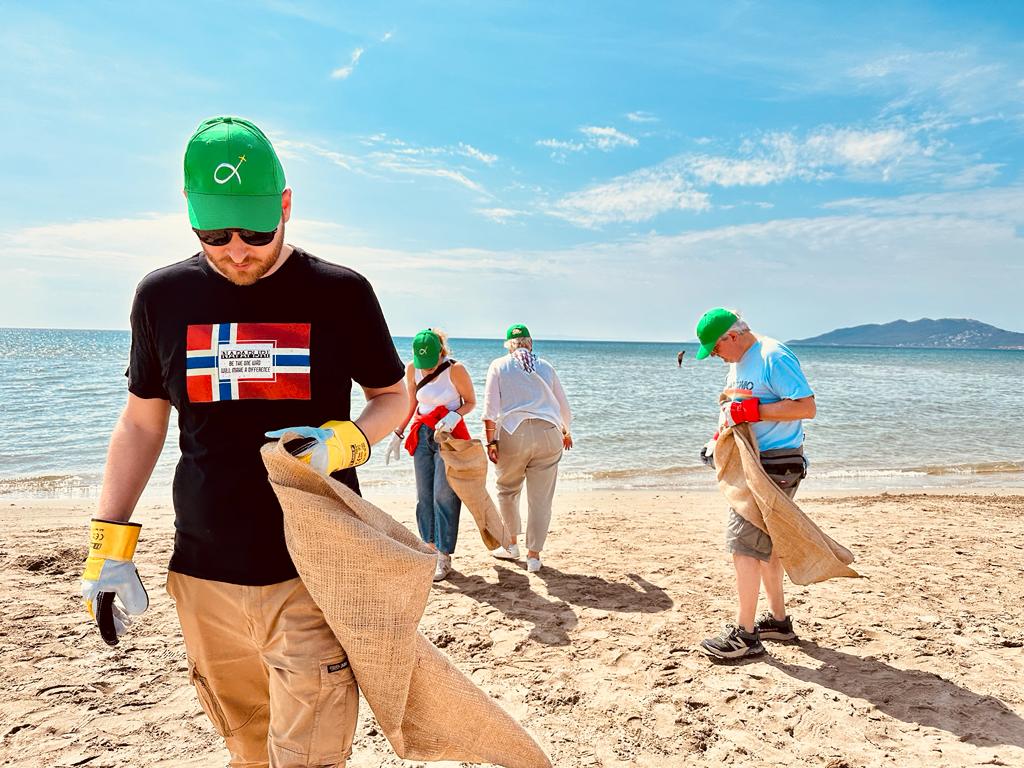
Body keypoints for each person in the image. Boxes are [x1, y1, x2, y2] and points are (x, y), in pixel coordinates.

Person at [78, 115, 406, 767]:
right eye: (214, 234)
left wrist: (343, 442)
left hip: (313, 569)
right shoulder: (161, 296)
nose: (236, 250)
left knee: (309, 757)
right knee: (248, 748)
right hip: (203, 574)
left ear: (286, 206)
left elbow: (394, 398)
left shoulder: (340, 292)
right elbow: (143, 422)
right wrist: (107, 545)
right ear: (189, 215)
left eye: (255, 232)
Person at [693, 307, 816, 659]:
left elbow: (806, 406)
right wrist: (716, 440)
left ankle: (745, 636)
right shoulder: (739, 361)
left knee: (742, 546)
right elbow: (735, 407)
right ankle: (778, 622)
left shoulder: (771, 356)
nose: (716, 357)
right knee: (765, 547)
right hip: (752, 460)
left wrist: (754, 413)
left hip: (776, 464)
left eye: (715, 350)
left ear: (732, 336)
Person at [385, 329, 476, 582]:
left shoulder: (455, 370)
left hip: (449, 434)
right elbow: (411, 403)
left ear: (441, 352)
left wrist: (454, 415)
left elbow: (470, 401)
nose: (426, 369)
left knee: (443, 495)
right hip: (422, 433)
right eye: (423, 364)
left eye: (431, 363)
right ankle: (429, 549)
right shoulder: (413, 368)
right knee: (423, 496)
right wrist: (398, 431)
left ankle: (444, 555)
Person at [482, 324, 573, 574]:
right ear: (530, 343)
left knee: (507, 490)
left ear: (509, 345)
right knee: (541, 499)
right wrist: (565, 432)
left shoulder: (499, 366)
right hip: (548, 434)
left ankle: (511, 545)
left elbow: (490, 411)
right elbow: (564, 409)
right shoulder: (545, 366)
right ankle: (534, 556)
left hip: (513, 433)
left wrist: (490, 442)